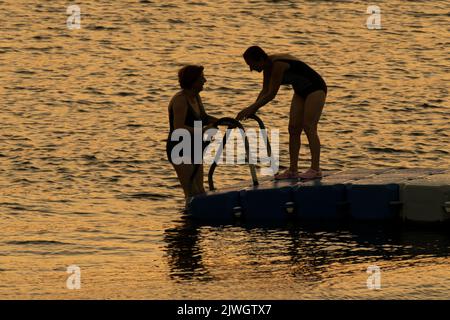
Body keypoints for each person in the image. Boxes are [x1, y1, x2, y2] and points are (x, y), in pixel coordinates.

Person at [236, 46, 327, 180]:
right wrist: (252, 109)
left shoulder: (278, 65)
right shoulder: (267, 67)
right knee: (293, 129)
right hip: (300, 91)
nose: (251, 69)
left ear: (260, 59)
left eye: (251, 65)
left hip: (316, 88)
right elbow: (265, 91)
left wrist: (251, 108)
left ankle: (315, 169)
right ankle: (293, 170)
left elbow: (271, 94)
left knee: (309, 127)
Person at [166, 65, 218, 204]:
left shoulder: (196, 96)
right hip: (179, 147)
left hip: (195, 146)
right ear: (193, 81)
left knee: (200, 191)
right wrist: (204, 130)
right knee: (191, 191)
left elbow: (204, 117)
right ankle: (189, 222)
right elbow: (178, 128)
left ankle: (201, 220)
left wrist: (223, 121)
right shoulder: (180, 100)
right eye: (201, 78)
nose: (205, 80)